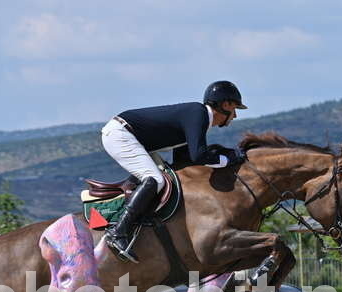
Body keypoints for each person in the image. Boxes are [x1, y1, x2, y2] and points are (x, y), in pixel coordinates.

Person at [100, 81, 248, 262]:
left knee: (164, 177)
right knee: (155, 179)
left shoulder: (197, 118)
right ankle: (118, 232)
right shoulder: (199, 114)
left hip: (129, 135)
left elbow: (184, 161)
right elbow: (199, 156)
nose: (235, 115)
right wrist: (229, 159)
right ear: (226, 104)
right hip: (121, 134)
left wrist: (225, 156)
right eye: (235, 109)